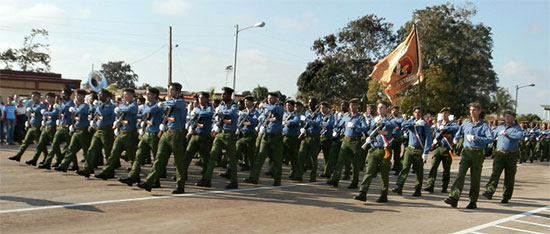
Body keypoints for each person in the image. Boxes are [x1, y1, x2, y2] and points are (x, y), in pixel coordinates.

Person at [137, 82, 188, 194]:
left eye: (173, 90)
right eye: (169, 90)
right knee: (159, 158)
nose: (170, 92)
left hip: (176, 133)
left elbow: (174, 104)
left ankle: (180, 185)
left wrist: (163, 103)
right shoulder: (168, 104)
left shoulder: (180, 102)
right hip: (166, 132)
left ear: (179, 91)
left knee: (178, 161)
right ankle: (149, 182)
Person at [444, 102, 493, 209]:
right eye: (470, 110)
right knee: (460, 175)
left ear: (479, 111)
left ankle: (473, 200)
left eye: (474, 110)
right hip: (466, 152)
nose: (472, 112)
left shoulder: (484, 125)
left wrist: (477, 138)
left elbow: (490, 139)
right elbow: (459, 132)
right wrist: (456, 139)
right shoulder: (466, 123)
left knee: (475, 178)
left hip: (477, 153)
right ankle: (454, 197)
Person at [118, 88, 164, 185]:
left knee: (156, 159)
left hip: (155, 134)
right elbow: (139, 116)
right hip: (146, 133)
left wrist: (142, 109)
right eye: (147, 94)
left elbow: (150, 110)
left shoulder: (158, 106)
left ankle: (155, 180)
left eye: (149, 94)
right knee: (138, 156)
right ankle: (133, 176)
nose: (147, 96)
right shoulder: (145, 106)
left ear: (155, 95)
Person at [196, 87, 239, 189]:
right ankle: (207, 179)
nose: (222, 96)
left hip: (229, 134)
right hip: (220, 132)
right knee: (212, 156)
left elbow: (231, 113)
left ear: (229, 95)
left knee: (232, 159)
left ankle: (234, 181)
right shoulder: (221, 105)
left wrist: (221, 112)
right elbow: (217, 115)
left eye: (225, 94)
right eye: (222, 94)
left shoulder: (233, 105)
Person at [353, 100, 395, 203]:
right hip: (373, 148)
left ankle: (384, 194)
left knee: (384, 173)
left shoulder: (390, 120)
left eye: (382, 107)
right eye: (379, 107)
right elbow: (369, 130)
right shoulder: (373, 120)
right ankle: (363, 192)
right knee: (369, 171)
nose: (380, 109)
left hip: (384, 150)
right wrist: (370, 136)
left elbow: (392, 131)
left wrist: (381, 126)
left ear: (386, 109)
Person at [95, 88, 139, 180]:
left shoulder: (134, 105)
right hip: (121, 132)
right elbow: (119, 111)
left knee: (132, 156)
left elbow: (130, 109)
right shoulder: (123, 105)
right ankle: (106, 171)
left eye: (127, 95)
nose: (125, 96)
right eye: (124, 95)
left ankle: (135, 174)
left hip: (130, 133)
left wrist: (120, 109)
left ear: (132, 96)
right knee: (114, 153)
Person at [244, 92, 284, 186]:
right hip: (266, 135)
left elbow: (273, 109)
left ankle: (277, 180)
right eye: (268, 98)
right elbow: (262, 118)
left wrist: (265, 106)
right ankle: (253, 178)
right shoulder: (266, 109)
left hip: (276, 137)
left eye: (271, 98)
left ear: (276, 99)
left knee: (276, 159)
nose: (269, 100)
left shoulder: (279, 107)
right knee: (259, 157)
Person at [482, 110, 523, 204]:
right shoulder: (499, 127)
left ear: (513, 118)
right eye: (506, 116)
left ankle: (506, 196)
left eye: (509, 116)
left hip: (511, 154)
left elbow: (520, 136)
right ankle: (489, 191)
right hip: (499, 154)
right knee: (495, 173)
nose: (507, 118)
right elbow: (492, 136)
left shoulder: (516, 128)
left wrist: (508, 134)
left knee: (509, 176)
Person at [326, 98, 367, 189]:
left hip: (356, 141)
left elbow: (364, 128)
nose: (352, 107)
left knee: (355, 163)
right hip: (346, 140)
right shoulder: (346, 116)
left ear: (357, 106)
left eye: (354, 105)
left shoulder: (360, 117)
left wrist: (355, 126)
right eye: (351, 105)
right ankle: (335, 179)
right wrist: (336, 130)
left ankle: (354, 182)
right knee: (340, 161)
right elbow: (339, 124)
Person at [392, 106, 432, 197]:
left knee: (418, 171)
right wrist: (414, 124)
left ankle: (417, 189)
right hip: (410, 148)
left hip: (419, 149)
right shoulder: (411, 121)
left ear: (422, 114)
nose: (417, 114)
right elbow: (403, 124)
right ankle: (399, 186)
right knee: (405, 167)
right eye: (415, 112)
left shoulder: (425, 124)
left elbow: (429, 138)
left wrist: (426, 152)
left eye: (419, 112)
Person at [76, 89, 116, 178]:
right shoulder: (100, 104)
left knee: (108, 152)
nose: (99, 96)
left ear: (106, 96)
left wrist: (97, 106)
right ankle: (87, 169)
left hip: (107, 130)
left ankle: (109, 171)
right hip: (98, 129)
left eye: (101, 94)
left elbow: (103, 113)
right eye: (98, 94)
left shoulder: (110, 106)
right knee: (91, 149)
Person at [179, 91, 214, 185]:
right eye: (199, 98)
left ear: (207, 99)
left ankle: (206, 179)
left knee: (206, 159)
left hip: (204, 136)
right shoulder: (196, 108)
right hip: (195, 135)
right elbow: (190, 118)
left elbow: (207, 114)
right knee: (187, 156)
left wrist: (197, 114)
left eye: (202, 98)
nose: (200, 100)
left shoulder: (209, 108)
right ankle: (182, 175)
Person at [54, 89, 90, 172]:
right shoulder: (76, 106)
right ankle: (64, 165)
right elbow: (74, 118)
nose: (77, 97)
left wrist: (73, 110)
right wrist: (72, 127)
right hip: (76, 130)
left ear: (83, 97)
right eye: (76, 95)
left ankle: (88, 168)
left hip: (83, 131)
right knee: (71, 149)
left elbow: (80, 111)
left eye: (79, 96)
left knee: (86, 151)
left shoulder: (84, 106)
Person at [424, 107, 458, 193]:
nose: (444, 114)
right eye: (443, 113)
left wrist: (446, 128)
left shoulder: (452, 124)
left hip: (447, 149)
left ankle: (444, 186)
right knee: (433, 167)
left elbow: (456, 128)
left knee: (446, 169)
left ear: (448, 115)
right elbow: (433, 133)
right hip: (438, 147)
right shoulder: (438, 124)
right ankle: (430, 184)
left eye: (446, 113)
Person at [40, 88, 75, 169]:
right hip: (60, 127)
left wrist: (46, 112)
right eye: (62, 93)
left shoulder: (70, 103)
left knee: (70, 147)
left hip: (67, 127)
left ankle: (74, 164)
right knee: (54, 145)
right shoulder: (62, 103)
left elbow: (64, 109)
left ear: (68, 94)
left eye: (64, 94)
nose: (62, 95)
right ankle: (47, 162)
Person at [9, 92, 46, 162]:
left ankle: (45, 156)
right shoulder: (33, 105)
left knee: (40, 143)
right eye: (32, 97)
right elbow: (28, 113)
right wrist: (28, 122)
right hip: (32, 125)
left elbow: (36, 110)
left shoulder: (41, 105)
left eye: (35, 96)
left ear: (38, 97)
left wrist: (30, 110)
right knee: (26, 142)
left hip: (37, 126)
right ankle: (18, 155)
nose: (33, 98)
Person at [24, 92, 58, 166]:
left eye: (49, 98)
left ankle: (59, 159)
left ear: (53, 98)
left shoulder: (55, 106)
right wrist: (43, 122)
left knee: (55, 145)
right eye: (46, 98)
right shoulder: (47, 106)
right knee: (40, 144)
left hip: (53, 127)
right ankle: (35, 159)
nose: (47, 99)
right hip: (46, 126)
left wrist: (45, 113)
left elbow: (54, 114)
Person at [295, 98, 322, 182]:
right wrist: (302, 128)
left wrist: (307, 120)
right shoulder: (307, 113)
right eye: (309, 103)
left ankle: (313, 176)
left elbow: (318, 124)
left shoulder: (319, 114)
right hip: (306, 135)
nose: (310, 105)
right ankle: (299, 175)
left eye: (312, 103)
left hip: (314, 137)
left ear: (316, 104)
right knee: (300, 155)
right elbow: (303, 123)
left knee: (313, 158)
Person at [235, 95, 259, 171]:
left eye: (248, 101)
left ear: (252, 102)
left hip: (251, 134)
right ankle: (247, 165)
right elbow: (238, 122)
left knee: (240, 144)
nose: (246, 103)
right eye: (245, 101)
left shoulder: (255, 112)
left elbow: (254, 122)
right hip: (243, 133)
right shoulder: (243, 112)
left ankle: (253, 168)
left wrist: (247, 117)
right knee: (246, 151)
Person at [282, 100, 301, 179]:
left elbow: (296, 121)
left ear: (293, 106)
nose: (287, 107)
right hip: (284, 137)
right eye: (286, 105)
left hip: (293, 138)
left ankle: (295, 173)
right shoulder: (285, 114)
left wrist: (287, 122)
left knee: (293, 157)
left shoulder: (296, 114)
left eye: (289, 105)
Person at [318, 102, 335, 179]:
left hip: (327, 137)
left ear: (327, 108)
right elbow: (317, 123)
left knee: (327, 155)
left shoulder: (330, 116)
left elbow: (329, 125)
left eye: (323, 107)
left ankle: (327, 172)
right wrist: (321, 124)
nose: (321, 109)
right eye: (321, 107)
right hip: (320, 136)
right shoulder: (320, 116)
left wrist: (320, 124)